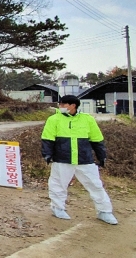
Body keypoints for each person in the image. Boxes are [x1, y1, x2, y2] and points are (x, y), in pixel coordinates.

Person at [41, 94, 118, 225]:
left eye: (63, 104)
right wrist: (47, 155)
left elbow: (97, 139)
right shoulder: (54, 119)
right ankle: (58, 207)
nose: (60, 107)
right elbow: (47, 139)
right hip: (62, 158)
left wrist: (101, 156)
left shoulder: (87, 119)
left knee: (95, 185)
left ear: (72, 105)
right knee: (58, 184)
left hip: (84, 159)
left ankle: (105, 211)